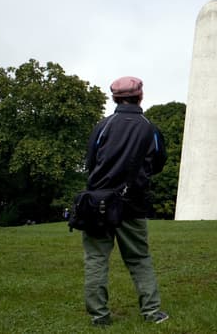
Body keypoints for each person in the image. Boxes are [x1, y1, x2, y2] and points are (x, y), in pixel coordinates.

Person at [81, 76, 169, 326]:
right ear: (140, 96)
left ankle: (99, 317)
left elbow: (90, 162)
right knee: (139, 258)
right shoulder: (149, 128)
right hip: (133, 203)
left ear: (114, 98)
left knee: (96, 260)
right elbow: (159, 162)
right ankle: (152, 313)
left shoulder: (103, 126)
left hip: (97, 203)